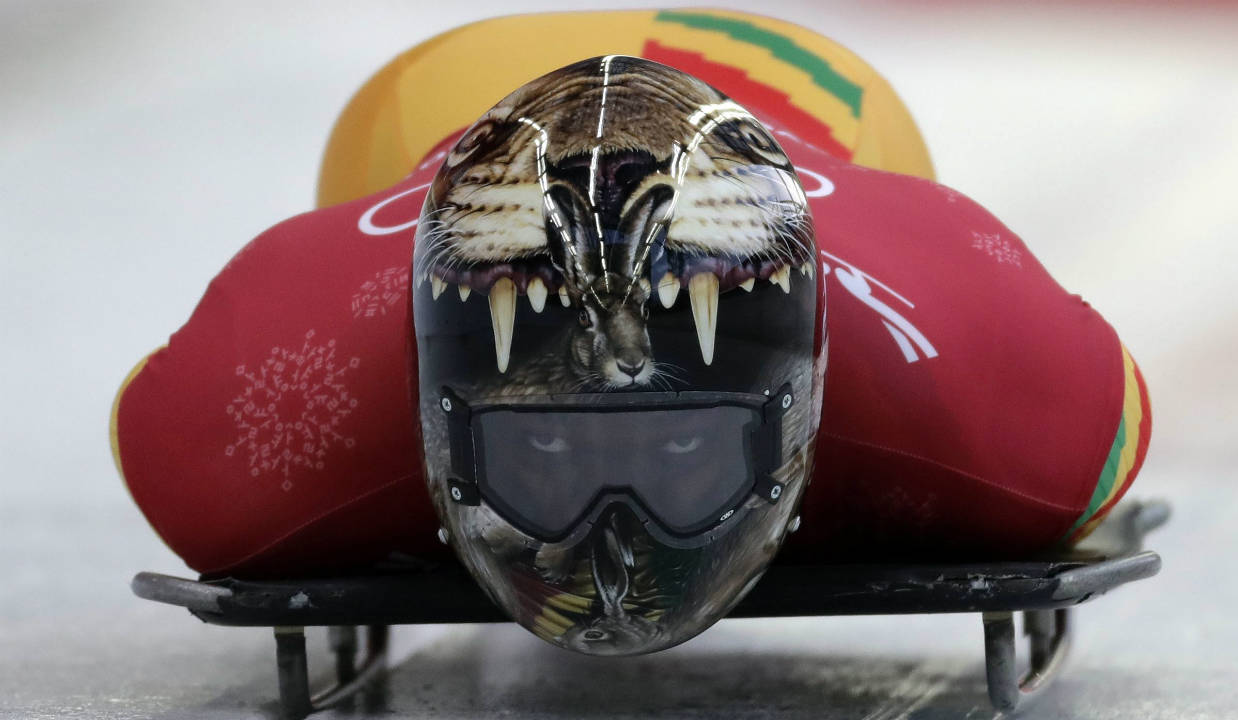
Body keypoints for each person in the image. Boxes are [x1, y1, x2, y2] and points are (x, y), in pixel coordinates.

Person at [111, 10, 1150, 655]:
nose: (609, 561)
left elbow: (139, 407)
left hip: (789, 109)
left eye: (681, 454)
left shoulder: (240, 438)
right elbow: (1116, 404)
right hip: (480, 118)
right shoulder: (1017, 428)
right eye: (548, 454)